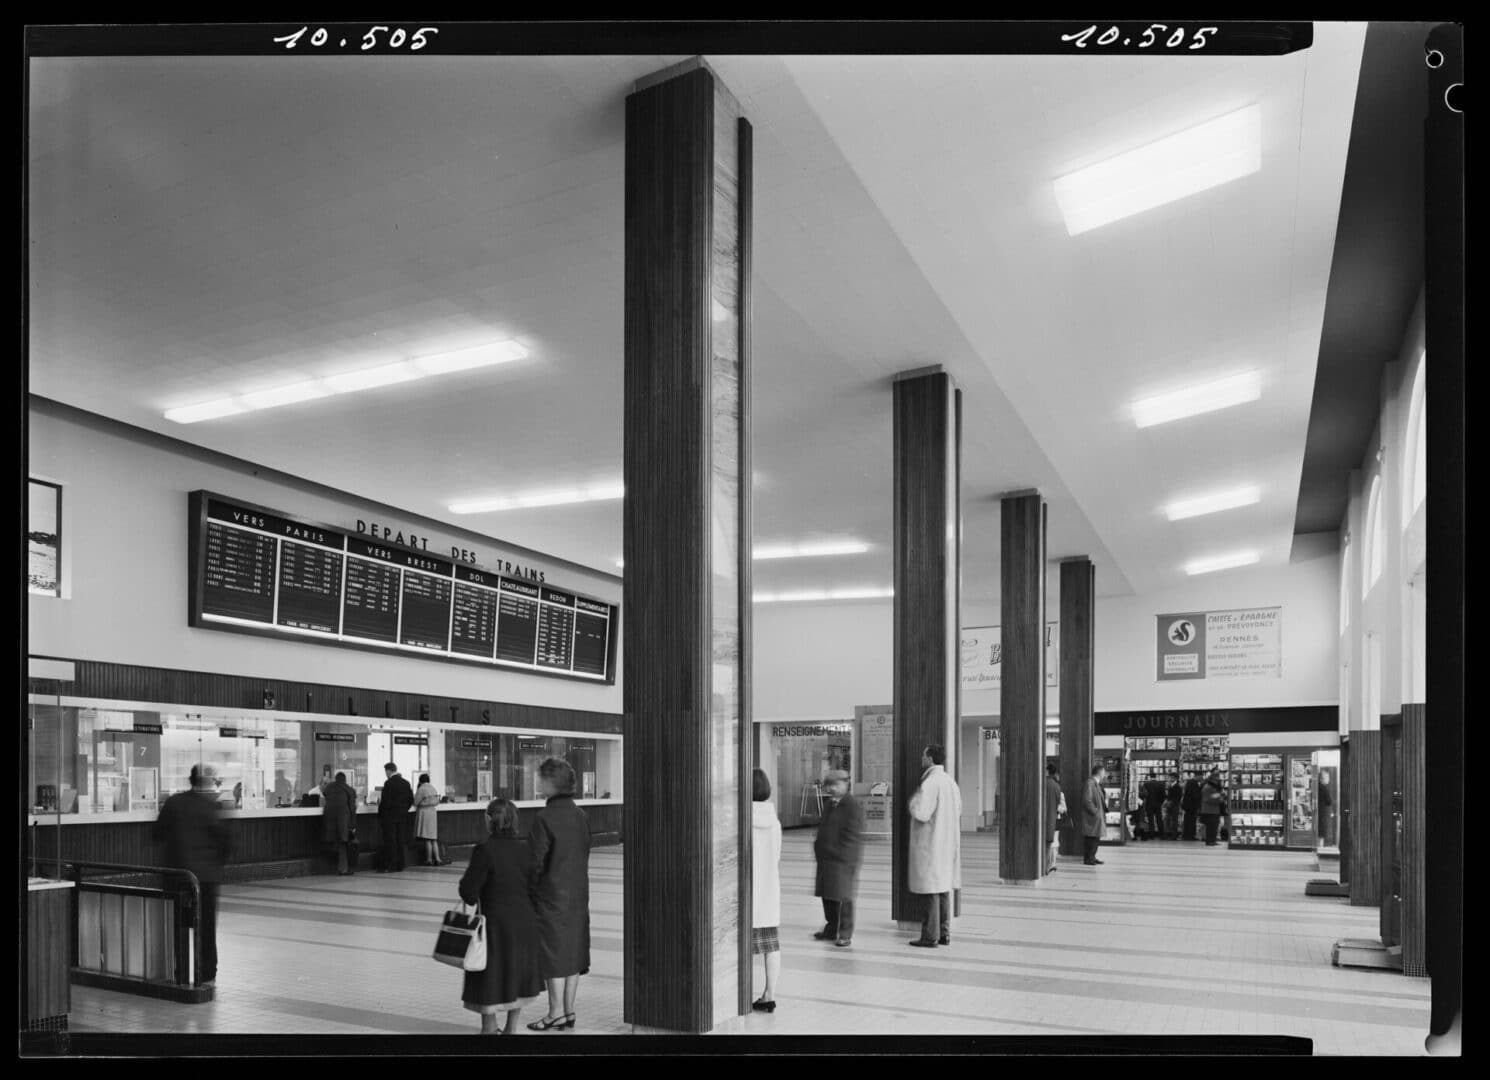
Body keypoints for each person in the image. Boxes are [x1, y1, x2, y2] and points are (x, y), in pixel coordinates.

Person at [458, 798, 543, 1035]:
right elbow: (536, 890)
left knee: (490, 976)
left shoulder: (484, 850)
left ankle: (489, 1028)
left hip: (494, 926)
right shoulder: (527, 849)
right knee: (516, 974)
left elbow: (469, 892)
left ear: (489, 820)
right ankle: (511, 1030)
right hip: (525, 924)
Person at [154, 763, 232, 988]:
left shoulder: (173, 803)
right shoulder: (213, 807)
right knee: (206, 927)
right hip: (205, 879)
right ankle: (206, 972)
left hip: (176, 875)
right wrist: (215, 864)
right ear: (206, 782)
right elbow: (226, 843)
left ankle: (177, 970)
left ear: (191, 780)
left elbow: (157, 834)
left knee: (175, 924)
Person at [526, 757, 590, 1031]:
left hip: (550, 897)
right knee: (573, 952)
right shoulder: (580, 815)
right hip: (577, 895)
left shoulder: (544, 818)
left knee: (552, 955)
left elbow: (535, 863)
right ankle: (568, 1011)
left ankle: (553, 1013)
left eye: (541, 777)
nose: (537, 781)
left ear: (552, 783)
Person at [906, 744, 962, 948]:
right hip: (947, 845)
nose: (921, 758)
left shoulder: (930, 783)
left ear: (930, 758)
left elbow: (921, 812)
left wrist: (912, 803)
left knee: (930, 891)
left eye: (923, 754)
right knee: (943, 889)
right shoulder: (950, 782)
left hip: (931, 845)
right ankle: (944, 934)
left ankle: (929, 936)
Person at [813, 769, 864, 947]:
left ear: (845, 784)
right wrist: (819, 848)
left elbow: (852, 834)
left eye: (835, 785)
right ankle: (831, 928)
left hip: (843, 860)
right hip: (826, 858)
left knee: (844, 897)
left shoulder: (852, 805)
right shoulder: (829, 804)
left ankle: (845, 933)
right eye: (829, 785)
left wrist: (840, 853)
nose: (832, 789)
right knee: (828, 895)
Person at [751, 767, 783, 1012]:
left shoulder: (740, 820)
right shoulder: (775, 822)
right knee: (771, 946)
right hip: (769, 891)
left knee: (740, 946)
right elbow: (777, 856)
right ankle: (769, 995)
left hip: (746, 893)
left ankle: (737, 993)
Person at [377, 762, 415, 872]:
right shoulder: (406, 783)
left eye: (385, 771)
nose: (385, 774)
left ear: (388, 771)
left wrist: (381, 815)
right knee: (400, 840)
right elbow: (410, 800)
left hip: (390, 817)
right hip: (403, 816)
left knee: (391, 841)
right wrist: (403, 810)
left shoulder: (388, 783)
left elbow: (385, 802)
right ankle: (401, 865)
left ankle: (392, 865)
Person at [322, 770, 359, 875]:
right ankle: (343, 869)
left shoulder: (329, 787)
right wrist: (353, 824)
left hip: (329, 821)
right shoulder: (349, 790)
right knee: (343, 844)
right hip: (343, 821)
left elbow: (324, 793)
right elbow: (352, 808)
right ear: (345, 780)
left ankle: (331, 868)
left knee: (333, 843)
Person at [414, 773, 449, 866]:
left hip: (424, 813)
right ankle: (437, 859)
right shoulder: (433, 788)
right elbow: (437, 801)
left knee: (427, 838)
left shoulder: (421, 789)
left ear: (420, 780)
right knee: (433, 837)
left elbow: (416, 802)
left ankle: (429, 859)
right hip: (433, 812)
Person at [1081, 764, 1106, 866]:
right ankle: (1088, 858)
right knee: (1091, 838)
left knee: (1095, 838)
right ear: (1099, 772)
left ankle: (1092, 857)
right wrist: (1095, 812)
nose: (1105, 774)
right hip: (1092, 817)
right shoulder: (1090, 783)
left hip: (1095, 817)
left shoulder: (1095, 783)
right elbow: (1087, 800)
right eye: (1104, 772)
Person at [1043, 762, 1064, 875]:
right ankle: (1045, 868)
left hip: (1037, 821)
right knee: (1048, 845)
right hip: (1050, 821)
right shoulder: (1056, 786)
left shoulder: (1040, 783)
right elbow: (1059, 805)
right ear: (1055, 774)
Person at [1199, 768, 1227, 846]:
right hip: (1209, 810)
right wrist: (1220, 798)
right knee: (1211, 826)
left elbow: (1213, 796)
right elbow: (1207, 799)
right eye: (1216, 779)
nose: (1218, 781)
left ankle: (1212, 840)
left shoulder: (1213, 787)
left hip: (1213, 810)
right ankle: (1210, 841)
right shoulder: (1207, 787)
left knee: (1214, 826)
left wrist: (1220, 796)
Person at [1142, 775, 1165, 841]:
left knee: (1150, 820)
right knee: (1159, 820)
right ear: (1156, 777)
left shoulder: (1146, 784)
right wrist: (1160, 802)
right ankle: (1162, 835)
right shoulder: (1160, 784)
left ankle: (1152, 835)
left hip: (1149, 805)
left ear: (1150, 777)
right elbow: (1163, 796)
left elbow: (1144, 795)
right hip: (1158, 805)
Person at [1181, 776, 1202, 841]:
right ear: (1197, 777)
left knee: (1187, 821)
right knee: (1191, 821)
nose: (1201, 780)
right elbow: (1195, 796)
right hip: (1192, 806)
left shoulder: (1189, 783)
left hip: (1187, 806)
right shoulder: (1194, 784)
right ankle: (1190, 835)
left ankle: (1186, 835)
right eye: (1200, 778)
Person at [1164, 775, 1183, 840]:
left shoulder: (1178, 787)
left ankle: (1174, 835)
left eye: (1172, 777)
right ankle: (1168, 834)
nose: (1170, 778)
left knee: (1174, 821)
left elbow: (1178, 797)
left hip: (1174, 806)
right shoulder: (1171, 786)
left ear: (1175, 778)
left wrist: (1171, 802)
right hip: (1170, 805)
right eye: (1170, 777)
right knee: (1168, 820)